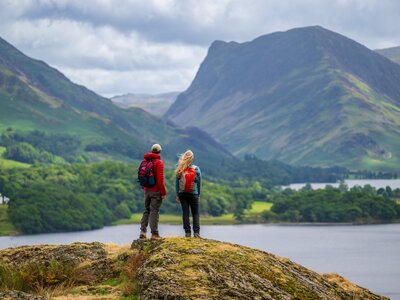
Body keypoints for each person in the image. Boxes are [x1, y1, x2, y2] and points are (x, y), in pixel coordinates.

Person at [139, 144, 166, 240]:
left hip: (147, 190)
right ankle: (154, 234)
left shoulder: (145, 161)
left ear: (151, 151)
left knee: (146, 210)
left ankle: (143, 231)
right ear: (159, 151)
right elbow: (160, 179)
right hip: (156, 191)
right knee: (154, 211)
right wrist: (163, 192)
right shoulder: (159, 162)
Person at [175, 150, 202, 238]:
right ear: (192, 158)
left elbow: (176, 183)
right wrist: (199, 194)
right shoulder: (196, 169)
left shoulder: (180, 169)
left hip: (182, 194)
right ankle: (196, 233)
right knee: (195, 213)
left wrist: (177, 194)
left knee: (185, 213)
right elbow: (199, 183)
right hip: (193, 194)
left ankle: (187, 233)